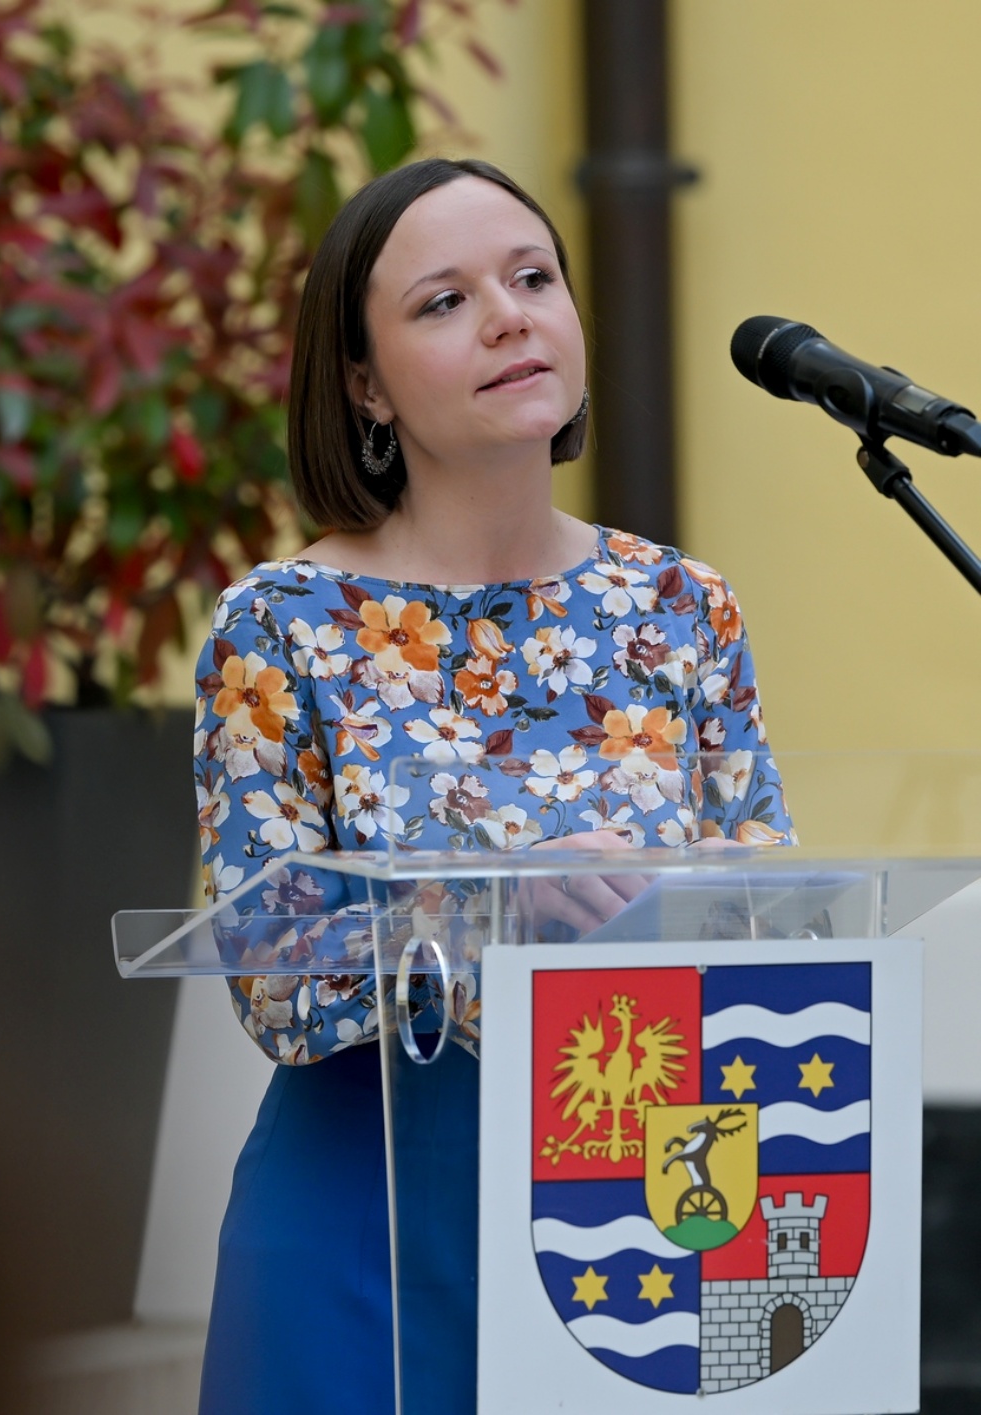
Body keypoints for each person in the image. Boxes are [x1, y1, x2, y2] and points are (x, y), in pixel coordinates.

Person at [192, 157, 793, 1415]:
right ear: (363, 382)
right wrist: (487, 912)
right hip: (368, 1208)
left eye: (532, 278)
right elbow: (267, 974)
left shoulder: (678, 603)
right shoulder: (281, 622)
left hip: (641, 1192)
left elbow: (770, 914)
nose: (510, 316)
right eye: (444, 300)